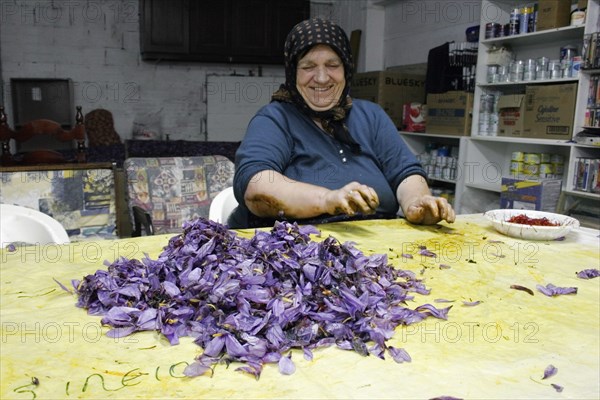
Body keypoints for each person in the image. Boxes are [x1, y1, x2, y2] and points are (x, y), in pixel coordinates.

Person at [229, 18, 455, 229]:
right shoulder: (275, 119)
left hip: (376, 246)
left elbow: (405, 172)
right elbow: (256, 186)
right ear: (292, 73)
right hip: (295, 251)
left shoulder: (371, 115)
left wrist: (416, 202)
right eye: (308, 66)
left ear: (346, 69)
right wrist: (328, 200)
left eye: (332, 65)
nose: (321, 77)